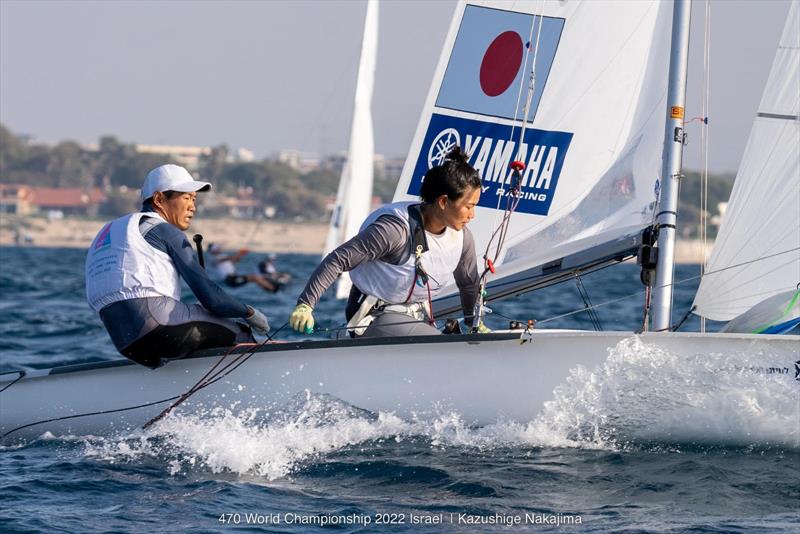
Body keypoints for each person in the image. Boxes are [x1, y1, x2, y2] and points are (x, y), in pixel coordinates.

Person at [85, 164, 270, 368]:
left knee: (200, 332)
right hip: (158, 326)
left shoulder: (110, 232)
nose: (193, 206)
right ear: (159, 199)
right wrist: (250, 313)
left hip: (125, 342)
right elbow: (213, 300)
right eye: (186, 197)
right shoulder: (164, 231)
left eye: (194, 199)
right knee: (239, 332)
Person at [289, 147, 486, 338]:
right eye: (469, 206)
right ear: (443, 202)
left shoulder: (463, 238)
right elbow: (338, 259)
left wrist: (474, 324)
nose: (473, 215)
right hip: (373, 317)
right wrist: (305, 305)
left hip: (417, 317)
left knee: (456, 342)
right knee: (441, 348)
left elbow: (468, 284)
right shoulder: (393, 231)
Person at [207, 244, 279, 292]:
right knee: (254, 278)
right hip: (230, 280)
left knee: (256, 278)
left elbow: (234, 261)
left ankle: (269, 287)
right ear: (212, 251)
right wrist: (240, 253)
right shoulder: (213, 259)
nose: (219, 248)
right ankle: (273, 289)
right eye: (217, 248)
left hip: (234, 277)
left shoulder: (223, 256)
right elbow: (227, 259)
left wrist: (239, 256)